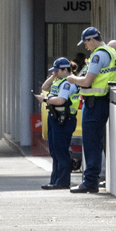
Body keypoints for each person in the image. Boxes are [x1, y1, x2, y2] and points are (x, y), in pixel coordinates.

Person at [66, 27, 116, 193]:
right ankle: (91, 180)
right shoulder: (112, 52)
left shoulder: (98, 55)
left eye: (86, 43)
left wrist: (73, 79)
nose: (85, 47)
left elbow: (88, 81)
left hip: (94, 103)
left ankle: (90, 182)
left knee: (90, 144)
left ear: (91, 39)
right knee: (95, 142)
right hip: (102, 101)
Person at [34, 57, 81, 189]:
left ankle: (62, 181)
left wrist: (45, 100)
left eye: (57, 70)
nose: (55, 73)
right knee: (54, 150)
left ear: (65, 69)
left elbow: (60, 100)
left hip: (64, 119)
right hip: (55, 118)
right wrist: (53, 76)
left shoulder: (68, 83)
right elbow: (45, 87)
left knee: (61, 151)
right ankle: (55, 180)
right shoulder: (59, 80)